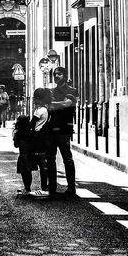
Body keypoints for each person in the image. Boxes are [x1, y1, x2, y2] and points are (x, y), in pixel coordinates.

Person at [47, 66, 78, 198]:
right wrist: (58, 104)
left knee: (67, 159)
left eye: (59, 74)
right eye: (55, 74)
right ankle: (52, 186)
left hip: (64, 129)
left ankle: (71, 187)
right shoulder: (50, 91)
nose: (56, 76)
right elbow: (48, 106)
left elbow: (67, 104)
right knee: (50, 159)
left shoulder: (72, 90)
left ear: (65, 76)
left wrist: (53, 104)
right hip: (51, 129)